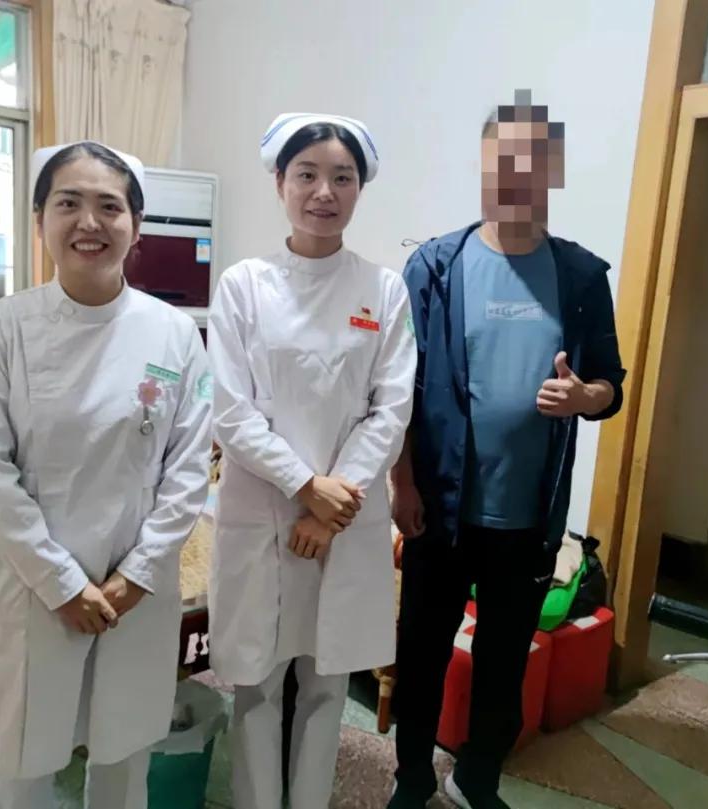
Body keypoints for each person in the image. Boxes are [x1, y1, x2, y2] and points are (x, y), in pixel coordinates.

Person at [0, 140, 212, 809]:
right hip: (29, 584)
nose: (89, 222)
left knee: (123, 757)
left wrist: (135, 576)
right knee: (25, 760)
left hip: (134, 588)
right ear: (39, 218)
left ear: (137, 225)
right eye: (68, 203)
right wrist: (61, 582)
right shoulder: (1, 330)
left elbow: (189, 469)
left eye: (110, 206)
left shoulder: (174, 333)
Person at [388, 90, 626, 809]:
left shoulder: (580, 277)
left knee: (502, 662)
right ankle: (411, 778)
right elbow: (398, 388)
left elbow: (611, 385)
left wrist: (584, 397)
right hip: (439, 508)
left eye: (533, 163)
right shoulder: (435, 266)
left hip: (528, 517)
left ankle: (477, 778)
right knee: (422, 653)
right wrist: (403, 484)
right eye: (504, 161)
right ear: (484, 166)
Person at [208, 112, 416, 809]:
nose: (324, 191)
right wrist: (305, 485)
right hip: (263, 513)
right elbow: (230, 410)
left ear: (359, 189)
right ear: (280, 182)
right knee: (257, 683)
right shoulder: (243, 285)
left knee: (327, 683)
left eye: (342, 177)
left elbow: (391, 409)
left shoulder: (383, 290)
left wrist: (332, 504)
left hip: (344, 521)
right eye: (307, 175)